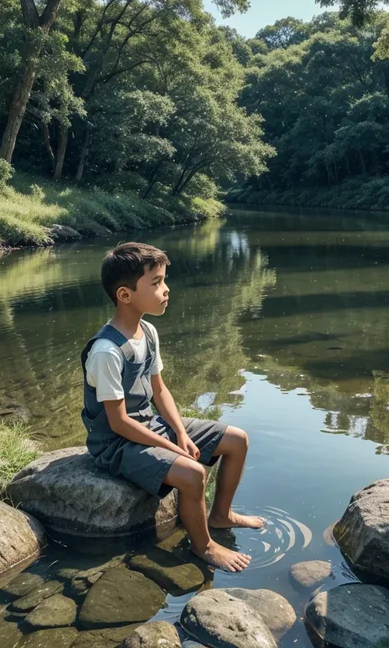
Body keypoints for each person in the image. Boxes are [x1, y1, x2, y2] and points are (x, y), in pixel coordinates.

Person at [81, 241, 263, 572]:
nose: (166, 290)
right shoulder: (106, 351)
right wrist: (171, 447)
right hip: (116, 443)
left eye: (164, 281)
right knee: (193, 473)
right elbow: (119, 423)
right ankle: (203, 545)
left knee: (237, 439)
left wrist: (181, 433)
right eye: (156, 283)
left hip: (148, 425)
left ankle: (221, 514)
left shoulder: (147, 331)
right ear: (125, 295)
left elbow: (159, 390)